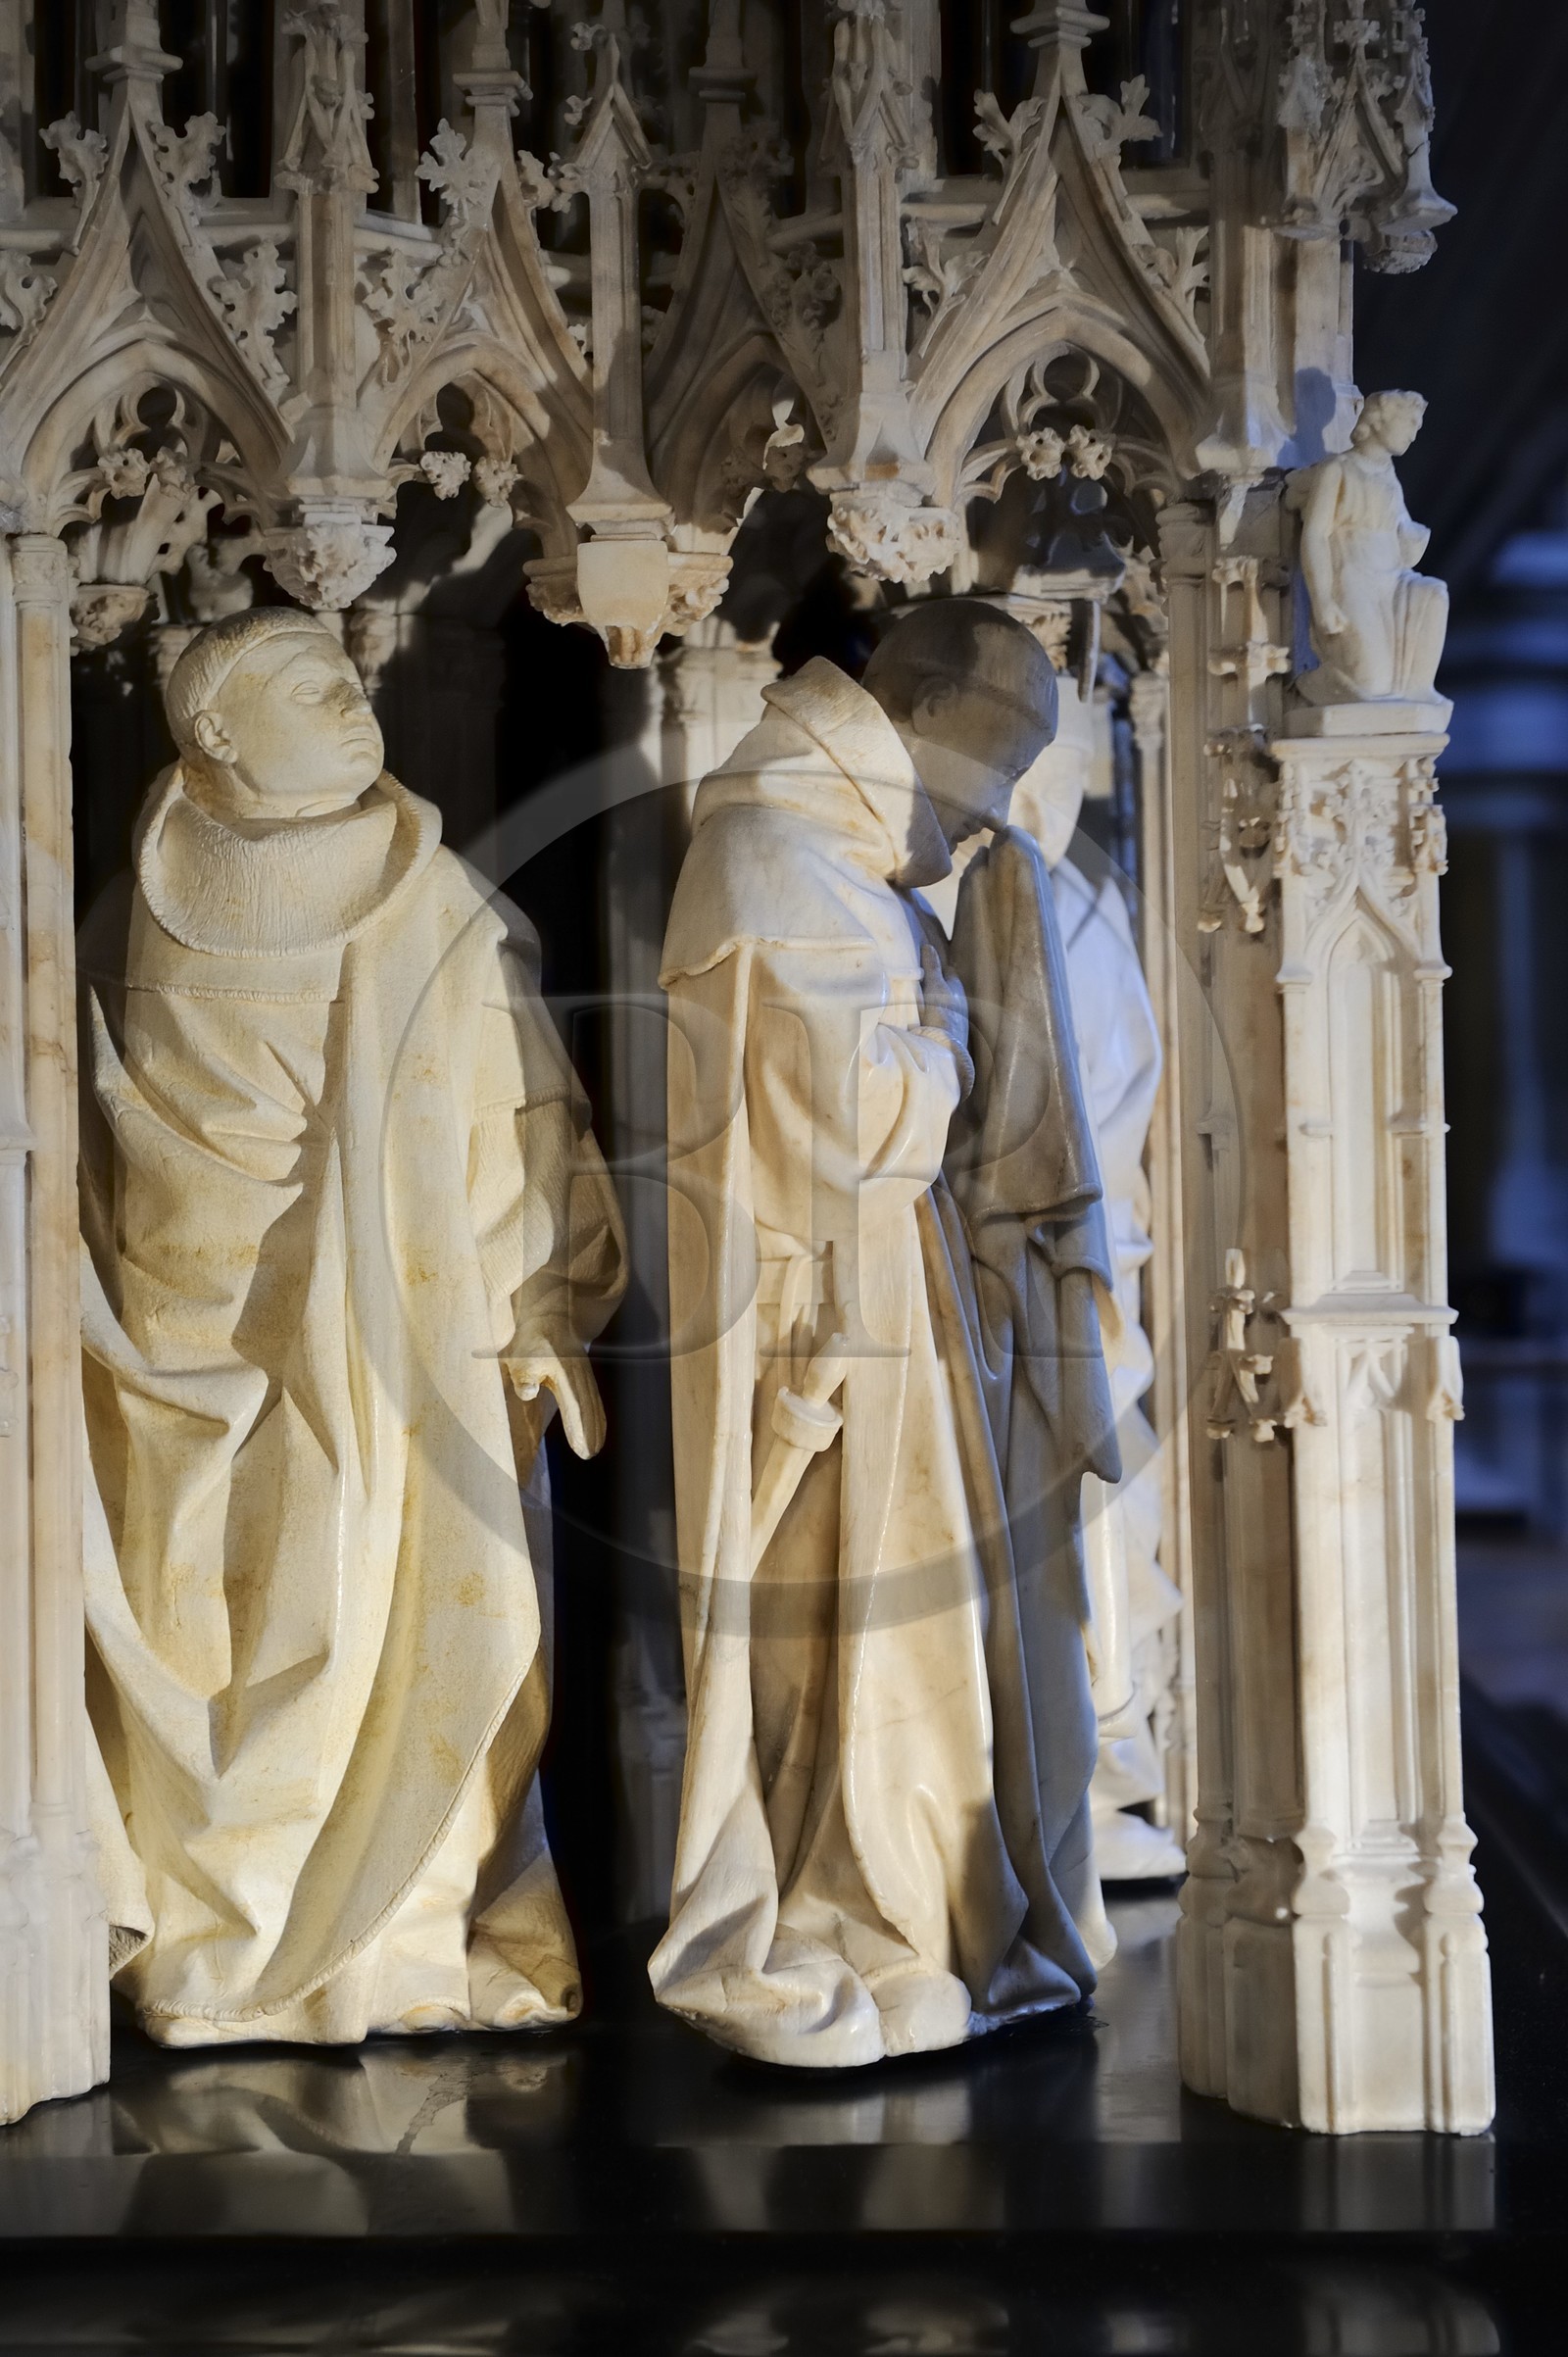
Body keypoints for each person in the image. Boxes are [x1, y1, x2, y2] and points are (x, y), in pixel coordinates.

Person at [79, 608, 625, 2045]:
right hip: (210, 1335)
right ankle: (239, 1932)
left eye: (347, 671)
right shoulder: (157, 889)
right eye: (309, 686)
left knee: (424, 1605)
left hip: (411, 1340)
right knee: (241, 1619)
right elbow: (138, 1125)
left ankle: (418, 1927)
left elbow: (515, 1100)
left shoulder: (422, 887)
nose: (350, 697)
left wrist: (534, 1294)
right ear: (217, 737)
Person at [650, 599, 1116, 2066]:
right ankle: (848, 1915)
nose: (985, 823)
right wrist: (958, 1040)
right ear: (930, 724)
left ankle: (908, 1911)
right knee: (851, 1631)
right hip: (816, 1346)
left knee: (908, 1632)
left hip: (887, 1316)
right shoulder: (772, 860)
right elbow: (855, 1125)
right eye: (992, 772)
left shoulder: (837, 866)